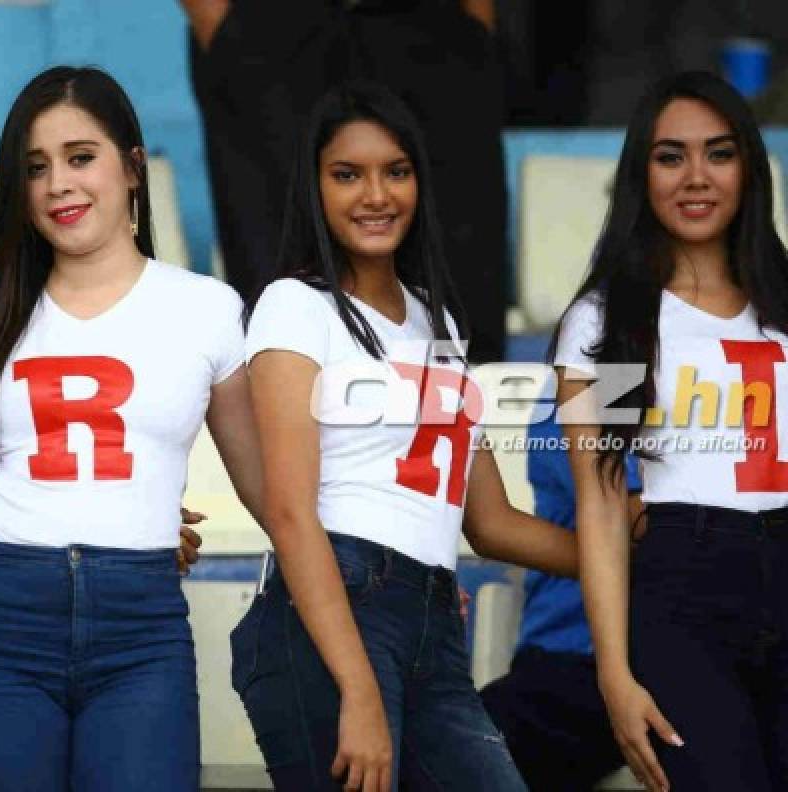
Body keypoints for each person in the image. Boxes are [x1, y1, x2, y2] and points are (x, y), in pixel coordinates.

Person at [0, 65, 263, 792]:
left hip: (142, 628)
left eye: (81, 157)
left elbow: (273, 493)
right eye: (36, 167)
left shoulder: (207, 308)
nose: (58, 185)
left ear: (133, 168)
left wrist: (376, 577)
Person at [232, 82, 577, 792]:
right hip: (329, 617)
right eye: (347, 174)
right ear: (314, 186)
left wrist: (633, 555)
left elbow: (493, 522)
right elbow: (293, 514)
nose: (375, 195)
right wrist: (357, 692)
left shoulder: (440, 321)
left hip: (433, 622)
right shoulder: (294, 306)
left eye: (396, 170)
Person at [554, 70, 788, 792]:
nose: (696, 177)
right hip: (682, 589)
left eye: (719, 153)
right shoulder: (604, 320)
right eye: (670, 156)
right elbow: (598, 502)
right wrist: (614, 672)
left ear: (749, 167)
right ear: (640, 175)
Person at [179, 0, 507, 362]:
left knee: (461, 264)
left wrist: (475, 28)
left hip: (434, 29)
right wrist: (221, 25)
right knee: (277, 261)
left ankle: (465, 405)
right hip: (270, 31)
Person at [479, 405, 639, 791]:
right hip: (573, 661)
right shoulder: (586, 385)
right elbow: (638, 524)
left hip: (694, 653)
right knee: (468, 748)